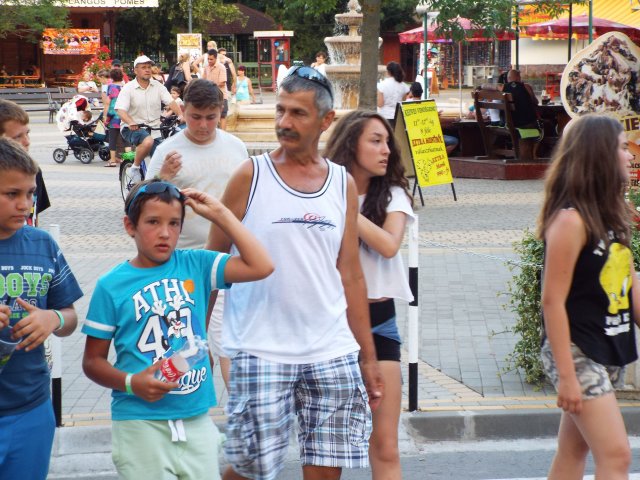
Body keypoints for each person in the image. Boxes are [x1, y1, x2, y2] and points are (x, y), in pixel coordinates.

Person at [207, 65, 383, 480]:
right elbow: (210, 264)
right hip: (259, 349)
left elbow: (351, 275)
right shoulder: (250, 177)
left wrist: (367, 355)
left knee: (325, 471)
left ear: (325, 121)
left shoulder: (342, 185)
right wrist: (192, 343)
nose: (284, 122)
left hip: (331, 351)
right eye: (280, 110)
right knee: (250, 470)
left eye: (298, 113)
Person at [82, 178, 273, 480]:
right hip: (140, 422)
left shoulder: (196, 264)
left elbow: (262, 265)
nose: (164, 233)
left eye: (174, 223)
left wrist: (220, 214)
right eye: (153, 222)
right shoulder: (111, 285)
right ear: (130, 226)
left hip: (197, 418)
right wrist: (132, 382)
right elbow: (92, 363)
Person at [538, 114, 639, 479]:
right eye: (622, 147)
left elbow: (630, 288)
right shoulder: (571, 221)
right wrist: (567, 375)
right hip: (578, 351)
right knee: (616, 456)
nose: (629, 156)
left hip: (607, 344)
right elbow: (552, 301)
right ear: (599, 155)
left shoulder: (613, 216)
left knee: (572, 451)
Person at [324, 110, 414, 479]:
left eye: (387, 142)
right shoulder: (319, 193)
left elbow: (389, 245)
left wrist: (342, 204)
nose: (386, 150)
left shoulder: (392, 195)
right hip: (330, 325)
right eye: (375, 141)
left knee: (385, 445)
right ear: (350, 145)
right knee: (328, 448)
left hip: (380, 323)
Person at [147, 79, 248, 387]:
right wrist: (163, 177)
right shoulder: (168, 151)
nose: (203, 125)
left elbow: (249, 199)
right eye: (195, 117)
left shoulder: (236, 147)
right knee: (189, 344)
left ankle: (238, 416)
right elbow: (140, 205)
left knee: (229, 341)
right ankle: (195, 407)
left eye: (211, 117)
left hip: (229, 260)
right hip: (184, 262)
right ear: (183, 112)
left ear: (221, 113)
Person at [0, 138, 83, 480]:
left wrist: (53, 318)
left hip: (30, 409)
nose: (25, 204)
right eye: (12, 194)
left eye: (31, 193)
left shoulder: (43, 244)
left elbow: (70, 317)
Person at [115, 55, 183, 184]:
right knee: (147, 141)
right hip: (132, 128)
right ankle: (134, 168)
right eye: (143, 67)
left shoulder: (158, 86)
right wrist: (130, 122)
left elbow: (170, 101)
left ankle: (155, 185)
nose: (147, 70)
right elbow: (120, 109)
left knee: (165, 158)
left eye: (149, 67)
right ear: (135, 71)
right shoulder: (128, 88)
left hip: (155, 129)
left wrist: (180, 115)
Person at [0, 100, 50, 226]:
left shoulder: (33, 172)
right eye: (17, 137)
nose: (27, 142)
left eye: (27, 133)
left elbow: (34, 219)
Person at [406, 82, 458, 155]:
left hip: (413, 137)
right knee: (454, 141)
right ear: (422, 92)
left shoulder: (406, 105)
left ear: (411, 92)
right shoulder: (427, 105)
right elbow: (436, 121)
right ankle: (440, 156)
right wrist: (453, 119)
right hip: (429, 137)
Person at [104, 68, 129, 167]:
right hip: (125, 116)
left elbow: (107, 103)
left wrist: (105, 116)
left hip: (113, 116)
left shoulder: (110, 87)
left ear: (111, 77)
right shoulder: (126, 87)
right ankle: (128, 160)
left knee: (112, 139)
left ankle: (113, 160)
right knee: (126, 138)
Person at [202, 49, 229, 130]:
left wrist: (210, 86)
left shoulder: (221, 67)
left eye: (211, 59)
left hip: (221, 95)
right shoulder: (206, 67)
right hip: (209, 96)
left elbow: (222, 82)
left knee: (222, 116)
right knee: (210, 116)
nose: (209, 61)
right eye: (208, 59)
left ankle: (223, 136)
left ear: (216, 58)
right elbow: (203, 80)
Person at [377, 61, 409, 127]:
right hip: (398, 116)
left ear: (389, 72)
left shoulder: (382, 85)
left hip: (384, 116)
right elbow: (403, 102)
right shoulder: (403, 85)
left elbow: (380, 104)